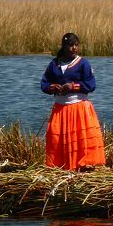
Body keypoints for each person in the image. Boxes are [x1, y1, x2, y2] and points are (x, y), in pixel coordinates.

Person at [40, 33, 106, 171]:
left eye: (76, 45)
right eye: (70, 45)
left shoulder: (83, 63)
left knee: (80, 138)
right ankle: (62, 165)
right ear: (63, 47)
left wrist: (73, 86)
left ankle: (82, 165)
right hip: (60, 109)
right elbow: (44, 84)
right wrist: (53, 87)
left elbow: (91, 85)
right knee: (58, 139)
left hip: (79, 108)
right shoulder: (54, 64)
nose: (74, 48)